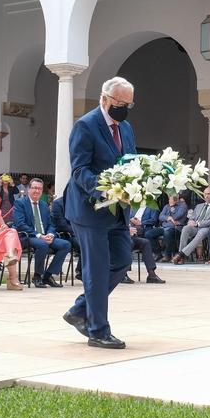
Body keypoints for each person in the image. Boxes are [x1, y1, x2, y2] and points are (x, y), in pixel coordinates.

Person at [63, 76, 137, 349]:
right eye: (120, 103)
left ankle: (80, 309)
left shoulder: (126, 127)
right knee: (95, 270)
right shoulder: (85, 126)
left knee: (122, 260)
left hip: (117, 211)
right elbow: (80, 170)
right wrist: (105, 191)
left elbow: (130, 162)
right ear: (105, 99)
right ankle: (98, 330)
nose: (124, 108)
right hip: (89, 209)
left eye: (129, 104)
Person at [13, 178, 71, 288]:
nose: (37, 191)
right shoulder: (20, 203)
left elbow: (51, 224)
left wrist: (50, 234)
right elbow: (20, 224)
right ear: (29, 189)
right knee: (43, 245)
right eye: (34, 188)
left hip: (44, 236)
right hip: (27, 236)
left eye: (39, 188)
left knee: (65, 245)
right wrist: (39, 235)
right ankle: (37, 276)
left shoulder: (44, 205)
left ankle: (48, 276)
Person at [173, 187, 210, 264]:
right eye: (205, 194)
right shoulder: (199, 206)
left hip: (206, 228)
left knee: (201, 233)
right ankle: (181, 257)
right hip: (195, 227)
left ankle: (181, 254)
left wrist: (198, 224)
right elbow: (192, 217)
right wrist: (190, 221)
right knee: (185, 228)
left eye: (208, 194)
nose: (207, 196)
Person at [51, 190, 81, 281]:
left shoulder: (77, 203)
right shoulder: (57, 204)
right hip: (64, 234)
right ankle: (81, 272)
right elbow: (62, 225)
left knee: (92, 243)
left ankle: (83, 271)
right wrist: (79, 231)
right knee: (84, 244)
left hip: (76, 233)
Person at [126, 218, 166, 284]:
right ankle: (123, 274)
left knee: (145, 242)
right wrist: (126, 231)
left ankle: (151, 274)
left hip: (130, 236)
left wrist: (134, 229)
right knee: (129, 243)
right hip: (118, 237)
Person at [157, 195, 187, 261]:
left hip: (177, 229)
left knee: (168, 233)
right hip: (165, 227)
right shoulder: (166, 206)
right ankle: (158, 253)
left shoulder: (182, 206)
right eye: (169, 199)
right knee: (149, 233)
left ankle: (168, 255)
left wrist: (171, 209)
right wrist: (169, 218)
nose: (169, 201)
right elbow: (160, 217)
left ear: (176, 200)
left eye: (171, 199)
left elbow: (176, 217)